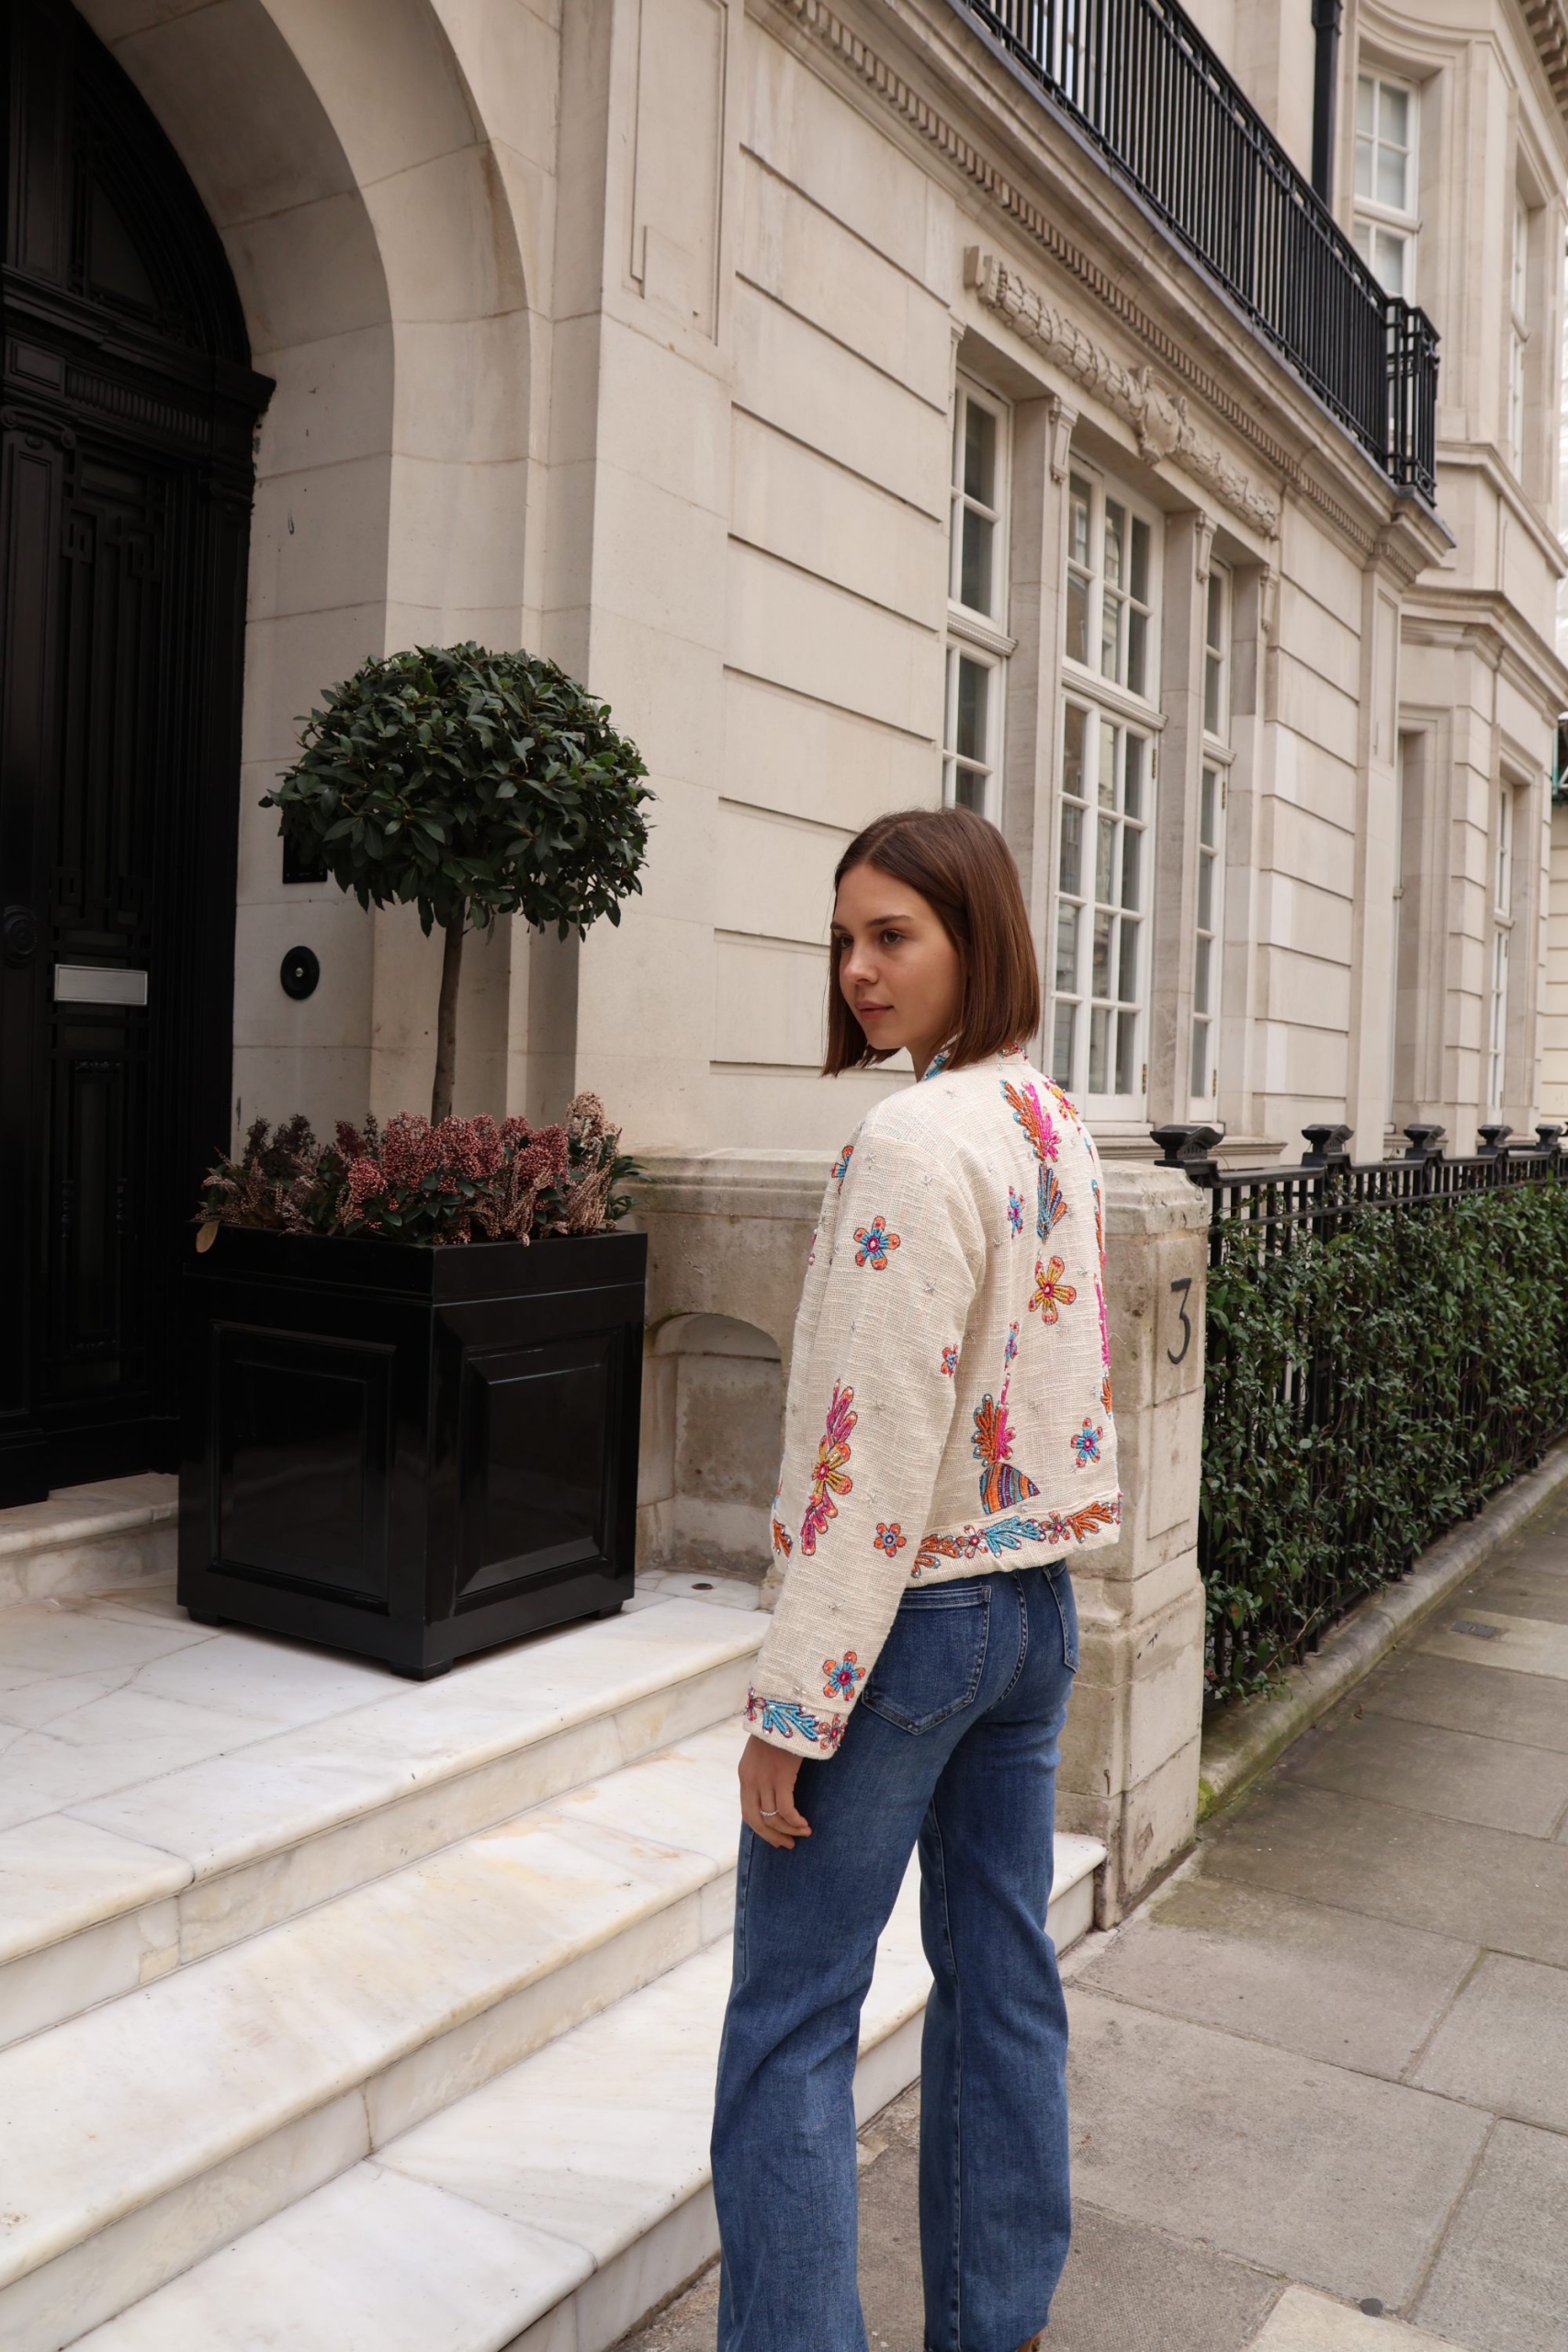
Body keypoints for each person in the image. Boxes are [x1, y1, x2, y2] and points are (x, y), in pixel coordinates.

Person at [709, 805, 1120, 2352]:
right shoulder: (1050, 1120)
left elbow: (869, 1447)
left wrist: (793, 1702)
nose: (859, 971)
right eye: (845, 941)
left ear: (975, 936)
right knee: (1002, 1977)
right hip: (1031, 1610)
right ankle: (996, 2327)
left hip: (910, 1622)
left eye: (893, 936)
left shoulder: (911, 1140)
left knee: (792, 2021)